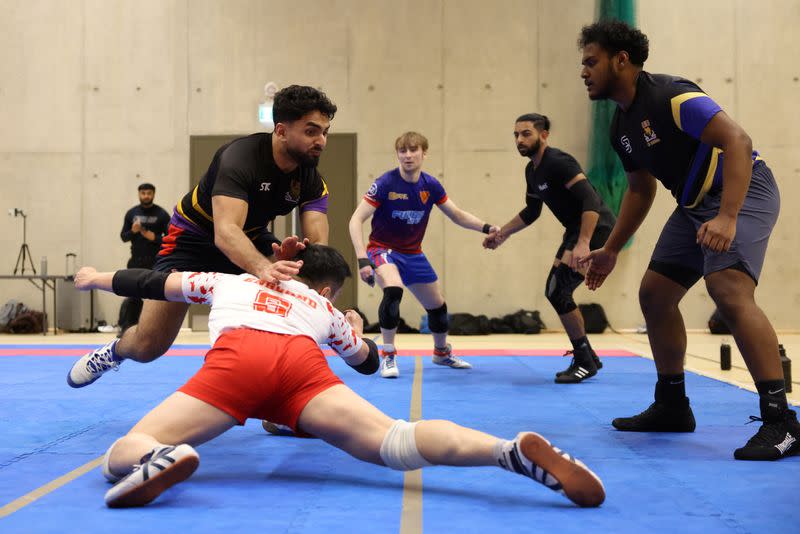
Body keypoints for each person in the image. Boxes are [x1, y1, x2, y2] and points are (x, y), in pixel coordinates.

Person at [72, 244, 605, 509]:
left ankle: (156, 456)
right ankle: (506, 451)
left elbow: (155, 280)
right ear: (326, 289)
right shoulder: (324, 311)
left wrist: (98, 278)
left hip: (239, 360)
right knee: (395, 441)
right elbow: (370, 363)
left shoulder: (229, 281)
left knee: (124, 445)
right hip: (301, 372)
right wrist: (353, 330)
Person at [577, 20, 797, 460]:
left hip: (744, 187)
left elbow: (737, 140)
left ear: (621, 60)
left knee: (728, 288)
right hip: (695, 202)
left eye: (591, 62)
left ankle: (782, 422)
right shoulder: (620, 126)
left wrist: (729, 216)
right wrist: (611, 250)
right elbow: (641, 189)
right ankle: (672, 405)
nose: (583, 72)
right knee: (654, 295)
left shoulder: (670, 95)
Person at [68, 85, 337, 388]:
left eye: (325, 132)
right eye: (312, 131)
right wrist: (264, 268)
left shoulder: (312, 180)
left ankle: (282, 398)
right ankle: (114, 352)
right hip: (193, 240)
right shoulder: (239, 159)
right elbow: (225, 234)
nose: (321, 141)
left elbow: (318, 249)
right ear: (281, 130)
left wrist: (301, 267)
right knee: (148, 345)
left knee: (295, 285)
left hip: (250, 238)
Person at [348, 132, 499, 378]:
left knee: (437, 306)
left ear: (423, 153)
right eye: (402, 151)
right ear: (397, 154)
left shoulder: (430, 185)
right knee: (393, 289)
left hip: (413, 254)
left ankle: (441, 353)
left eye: (413, 150)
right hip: (382, 249)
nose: (408, 156)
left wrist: (487, 227)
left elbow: (457, 215)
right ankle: (388, 355)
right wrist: (363, 259)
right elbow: (356, 219)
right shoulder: (386, 183)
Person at [483, 114, 616, 383]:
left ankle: (584, 360)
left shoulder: (558, 162)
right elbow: (532, 212)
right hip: (576, 231)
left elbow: (590, 199)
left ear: (544, 135)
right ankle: (589, 355)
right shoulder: (532, 171)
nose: (520, 140)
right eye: (516, 135)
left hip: (595, 228)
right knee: (556, 290)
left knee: (558, 290)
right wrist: (502, 234)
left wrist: (584, 242)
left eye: (526, 134)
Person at [108, 183, 170, 334]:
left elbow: (170, 239)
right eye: (143, 193)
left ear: (153, 194)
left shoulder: (162, 214)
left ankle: (156, 330)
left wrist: (154, 237)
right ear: (139, 194)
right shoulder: (132, 213)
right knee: (132, 295)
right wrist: (133, 231)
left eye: (149, 193)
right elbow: (123, 237)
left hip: (156, 261)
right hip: (136, 260)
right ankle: (128, 329)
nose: (146, 196)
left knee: (156, 297)